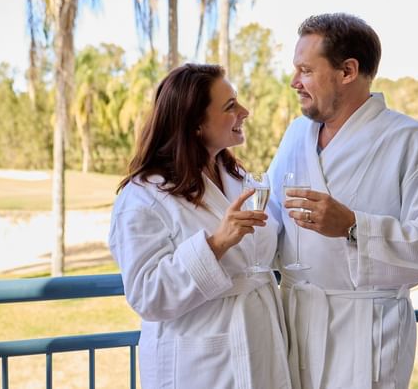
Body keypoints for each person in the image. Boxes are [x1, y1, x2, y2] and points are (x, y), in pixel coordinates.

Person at [267, 13, 418, 388]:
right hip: (295, 323)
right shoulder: (296, 135)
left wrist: (354, 227)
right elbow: (270, 216)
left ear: (347, 71)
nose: (295, 82)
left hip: (368, 334)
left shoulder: (412, 141)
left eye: (306, 70)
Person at [109, 63, 292, 389]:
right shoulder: (142, 196)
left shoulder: (238, 179)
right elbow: (147, 295)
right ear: (195, 124)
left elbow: (266, 249)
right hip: (198, 362)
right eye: (230, 106)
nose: (244, 111)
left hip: (260, 343)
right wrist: (216, 244)